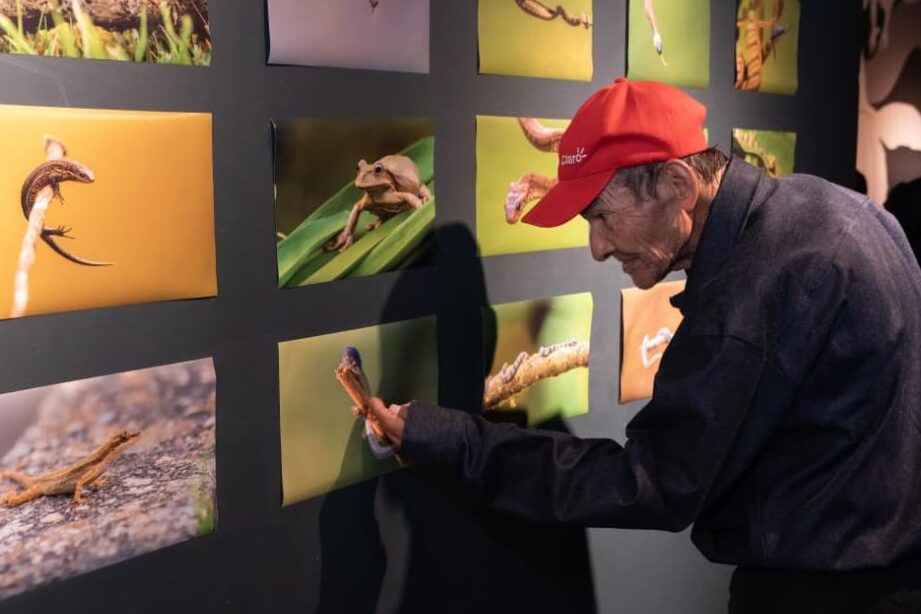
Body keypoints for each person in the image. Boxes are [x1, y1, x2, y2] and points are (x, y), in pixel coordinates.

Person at [364, 78, 921, 613]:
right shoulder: (832, 209)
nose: (597, 247)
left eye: (602, 216)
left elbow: (649, 483)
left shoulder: (750, 297)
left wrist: (446, 437)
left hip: (823, 595)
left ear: (678, 184)